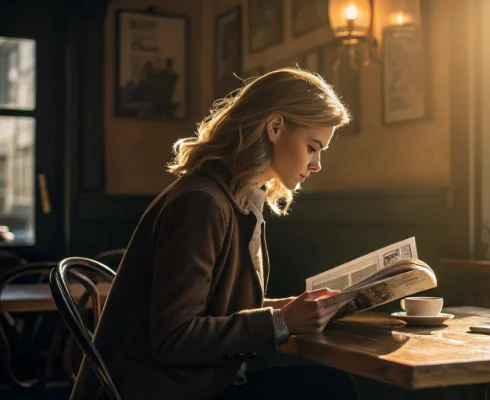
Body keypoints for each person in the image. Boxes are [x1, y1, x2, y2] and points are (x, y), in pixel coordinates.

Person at [70, 68, 357, 399]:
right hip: (160, 389)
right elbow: (174, 337)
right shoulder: (201, 203)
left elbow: (214, 308)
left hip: (198, 382)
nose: (317, 163)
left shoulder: (236, 196)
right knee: (330, 390)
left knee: (329, 385)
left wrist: (287, 310)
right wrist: (281, 321)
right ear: (275, 127)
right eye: (312, 147)